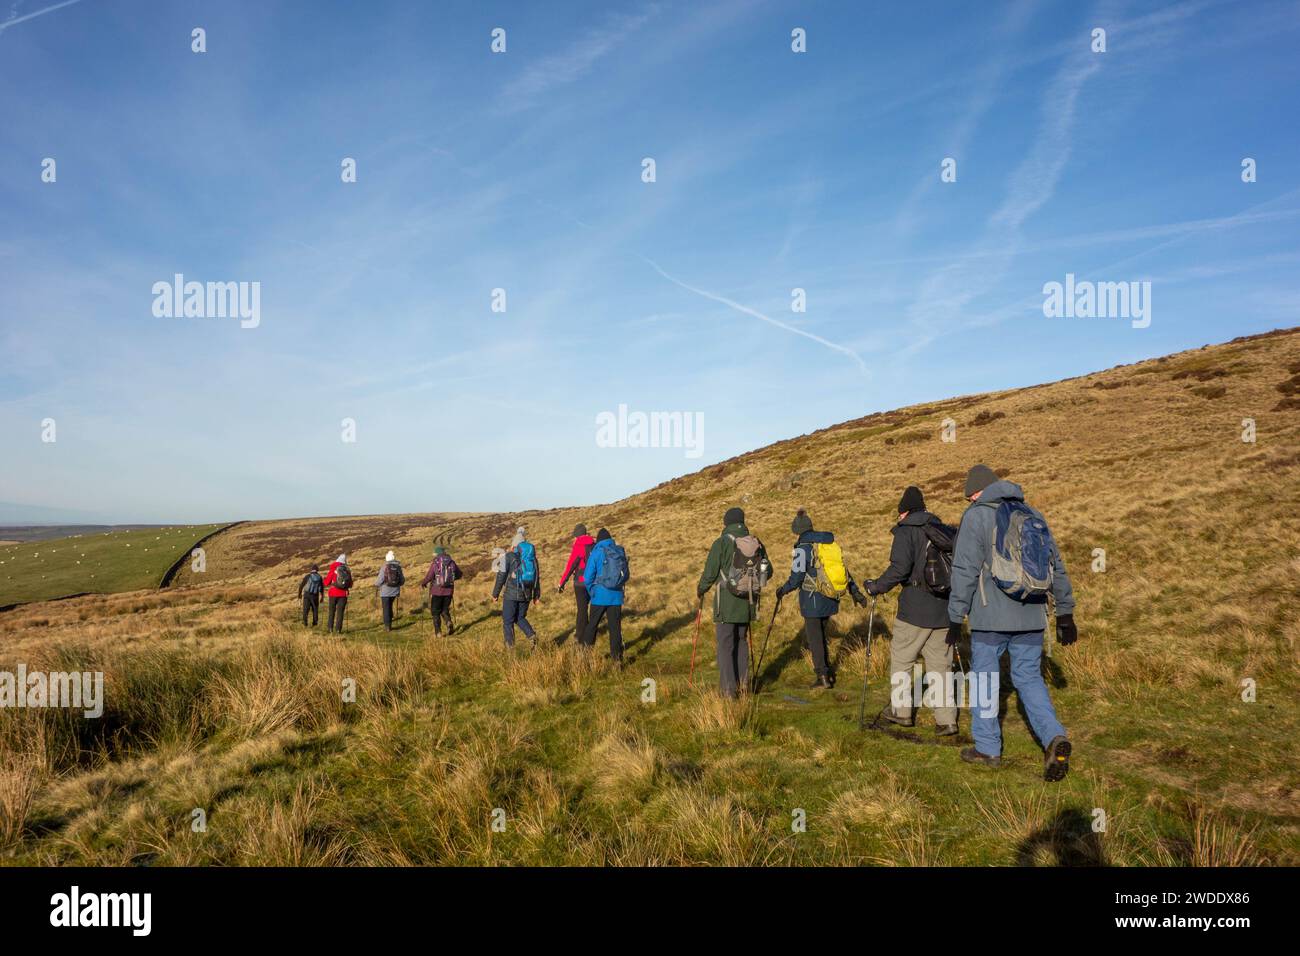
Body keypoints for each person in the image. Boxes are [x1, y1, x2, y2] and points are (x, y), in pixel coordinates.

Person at [947, 465, 1077, 781]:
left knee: (985, 681)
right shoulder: (1032, 513)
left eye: (970, 496)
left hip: (990, 617)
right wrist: (1065, 612)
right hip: (1032, 614)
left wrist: (954, 616)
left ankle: (988, 749)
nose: (969, 501)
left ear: (977, 493)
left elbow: (964, 570)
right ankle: (1053, 737)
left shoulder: (976, 516)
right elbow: (1055, 566)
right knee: (1029, 679)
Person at [864, 486, 959, 735]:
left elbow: (899, 569)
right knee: (940, 665)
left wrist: (876, 587)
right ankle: (947, 720)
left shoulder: (906, 532)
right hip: (943, 608)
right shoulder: (940, 528)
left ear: (903, 511)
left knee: (903, 660)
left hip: (915, 609)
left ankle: (901, 712)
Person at [775, 509, 867, 689]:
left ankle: (822, 677)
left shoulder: (803, 548)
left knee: (815, 639)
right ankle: (828, 671)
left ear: (797, 530)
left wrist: (782, 590)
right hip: (830, 599)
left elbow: (796, 578)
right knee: (821, 636)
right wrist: (856, 593)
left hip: (812, 601)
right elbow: (844, 572)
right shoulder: (827, 545)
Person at [696, 507, 771, 698]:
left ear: (726, 523)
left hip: (726, 603)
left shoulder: (721, 543)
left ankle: (728, 691)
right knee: (741, 641)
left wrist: (701, 589)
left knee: (725, 644)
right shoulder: (757, 544)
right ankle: (743, 686)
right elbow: (768, 572)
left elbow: (710, 573)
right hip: (748, 602)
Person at [581, 528, 629, 664]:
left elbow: (587, 577)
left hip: (599, 596)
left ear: (599, 540)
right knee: (615, 629)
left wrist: (592, 592)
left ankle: (585, 657)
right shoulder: (618, 551)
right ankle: (617, 661)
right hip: (616, 597)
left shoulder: (596, 552)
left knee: (592, 626)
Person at [492, 527, 541, 649]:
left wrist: (495, 593)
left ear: (514, 545)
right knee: (520, 617)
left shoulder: (507, 556)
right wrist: (536, 596)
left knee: (508, 620)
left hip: (511, 594)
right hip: (527, 593)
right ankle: (531, 635)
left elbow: (501, 576)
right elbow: (536, 578)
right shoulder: (532, 558)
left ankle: (510, 648)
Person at [557, 523, 596, 642]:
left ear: (578, 535)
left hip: (580, 581)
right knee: (592, 607)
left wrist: (562, 582)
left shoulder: (579, 545)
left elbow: (571, 565)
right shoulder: (594, 544)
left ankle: (580, 635)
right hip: (593, 581)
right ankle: (591, 632)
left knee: (582, 609)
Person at [420, 545, 462, 636]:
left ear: (437, 553)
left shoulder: (436, 562)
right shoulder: (451, 562)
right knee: (444, 609)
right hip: (449, 591)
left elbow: (430, 576)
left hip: (437, 591)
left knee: (435, 612)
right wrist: (452, 579)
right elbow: (459, 574)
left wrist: (423, 583)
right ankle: (448, 622)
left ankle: (438, 632)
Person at [375, 550, 405, 632]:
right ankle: (390, 620)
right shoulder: (398, 567)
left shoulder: (384, 566)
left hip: (385, 591)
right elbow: (402, 580)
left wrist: (376, 584)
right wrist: (397, 585)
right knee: (390, 605)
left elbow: (380, 580)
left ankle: (387, 626)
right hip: (395, 591)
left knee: (386, 608)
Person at [323, 554, 352, 633]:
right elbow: (350, 584)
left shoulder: (333, 569)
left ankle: (330, 628)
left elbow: (326, 583)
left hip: (333, 593)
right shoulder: (347, 570)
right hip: (343, 594)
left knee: (332, 611)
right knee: (340, 612)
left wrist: (325, 580)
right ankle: (338, 629)